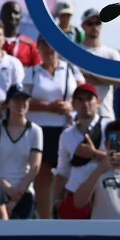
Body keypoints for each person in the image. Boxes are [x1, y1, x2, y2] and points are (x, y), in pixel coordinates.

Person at [24, 36, 83, 219]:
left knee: (67, 176)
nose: (49, 50)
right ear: (38, 49)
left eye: (52, 46)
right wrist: (47, 107)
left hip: (65, 130)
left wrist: (71, 106)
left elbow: (83, 94)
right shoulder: (32, 72)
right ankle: (45, 220)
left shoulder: (71, 69)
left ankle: (66, 217)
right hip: (40, 130)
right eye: (44, 46)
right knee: (42, 178)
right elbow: (23, 101)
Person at [0, 85, 43, 219]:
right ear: (8, 103)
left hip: (24, 193)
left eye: (24, 100)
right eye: (16, 100)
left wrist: (15, 198)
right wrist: (6, 187)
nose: (21, 104)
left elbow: (34, 168)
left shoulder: (36, 131)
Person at [54, 83, 103, 210]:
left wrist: (94, 154)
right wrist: (58, 199)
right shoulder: (66, 135)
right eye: (80, 99)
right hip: (76, 195)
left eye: (89, 99)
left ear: (98, 102)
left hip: (105, 194)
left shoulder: (111, 127)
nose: (85, 103)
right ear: (73, 104)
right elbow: (62, 170)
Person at [79, 8, 120, 120]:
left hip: (105, 114)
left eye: (98, 23)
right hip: (81, 115)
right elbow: (76, 80)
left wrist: (89, 76)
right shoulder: (76, 51)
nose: (94, 26)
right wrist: (107, 78)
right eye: (90, 23)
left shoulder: (112, 53)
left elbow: (119, 81)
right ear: (83, 26)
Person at [0, 1, 40, 68]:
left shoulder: (31, 46)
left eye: (16, 13)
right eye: (8, 12)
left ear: (21, 17)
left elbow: (37, 71)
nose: (12, 16)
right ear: (1, 15)